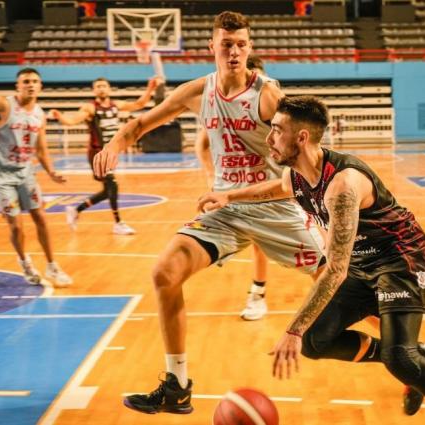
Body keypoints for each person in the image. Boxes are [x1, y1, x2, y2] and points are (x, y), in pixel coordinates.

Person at [198, 95, 425, 424]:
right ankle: (421, 353)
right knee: (314, 341)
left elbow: (335, 270)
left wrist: (292, 330)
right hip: (362, 264)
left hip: (402, 258)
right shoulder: (296, 176)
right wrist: (228, 195)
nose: (269, 138)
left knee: (398, 359)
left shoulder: (342, 185)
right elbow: (276, 188)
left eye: (277, 130)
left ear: (302, 137)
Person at [92, 11, 325, 414]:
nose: (234, 51)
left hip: (275, 207)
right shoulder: (197, 92)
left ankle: (407, 351)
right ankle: (177, 386)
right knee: (164, 273)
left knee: (339, 284)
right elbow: (139, 125)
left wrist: (321, 201)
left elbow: (304, 155)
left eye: (241, 45)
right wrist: (114, 144)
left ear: (250, 48)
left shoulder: (268, 96)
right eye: (226, 44)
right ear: (212, 46)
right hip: (225, 210)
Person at [194, 53, 272, 321]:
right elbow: (202, 143)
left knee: (267, 242)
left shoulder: (271, 102)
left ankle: (258, 294)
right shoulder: (222, 106)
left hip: (269, 184)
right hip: (233, 185)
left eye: (258, 76)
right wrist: (210, 175)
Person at [50, 77, 159, 235]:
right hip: (97, 153)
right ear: (94, 90)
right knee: (112, 185)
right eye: (98, 86)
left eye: (104, 86)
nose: (101, 88)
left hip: (110, 152)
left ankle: (76, 210)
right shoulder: (90, 108)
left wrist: (150, 89)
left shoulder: (116, 105)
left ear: (109, 89)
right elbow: (72, 120)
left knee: (107, 190)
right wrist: (60, 116)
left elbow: (139, 104)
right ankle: (118, 223)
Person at [0, 68, 73, 287]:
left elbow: (41, 150)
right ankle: (25, 263)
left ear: (40, 86)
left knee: (40, 217)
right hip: (2, 176)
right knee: (16, 226)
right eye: (26, 81)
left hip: (26, 173)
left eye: (34, 81)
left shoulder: (40, 114)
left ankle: (52, 266)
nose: (30, 84)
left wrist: (51, 172)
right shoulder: (4, 105)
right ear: (17, 86)